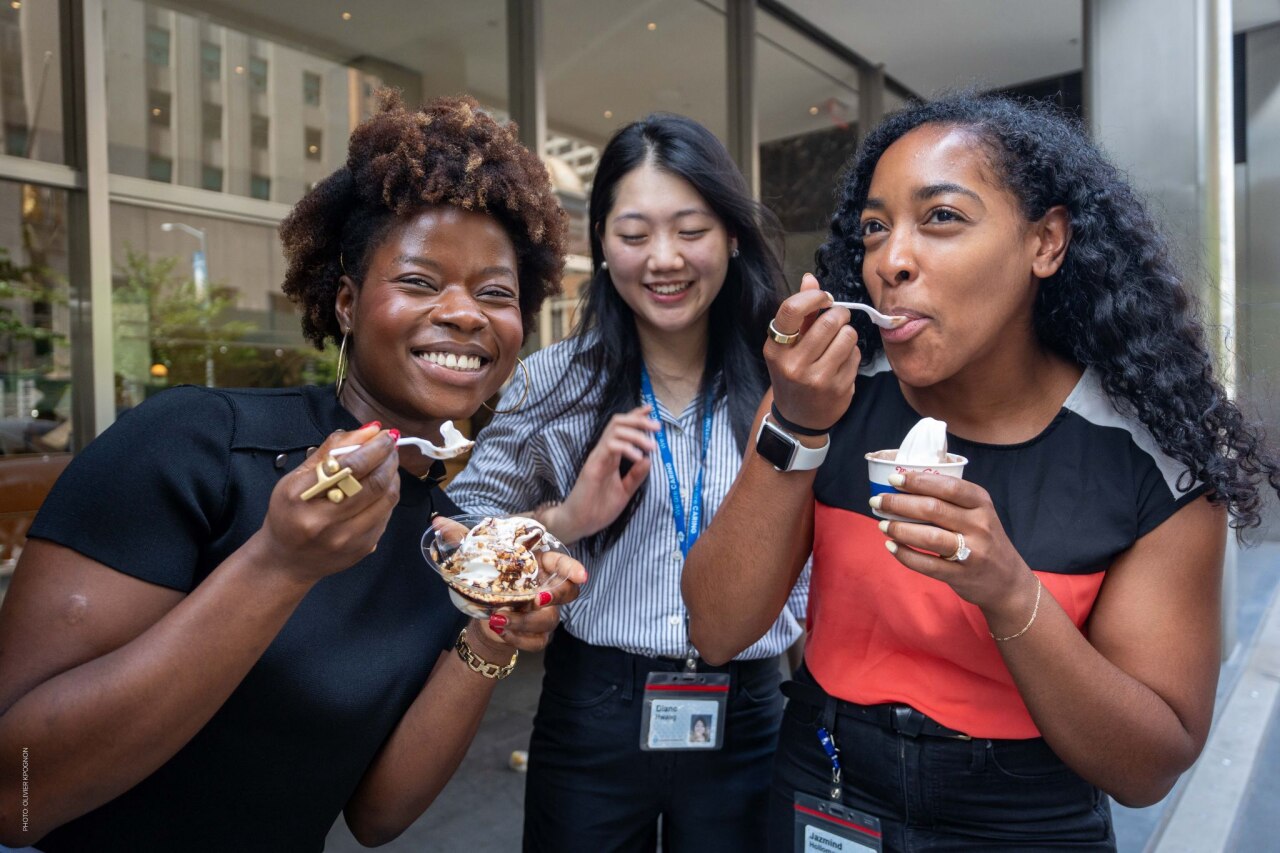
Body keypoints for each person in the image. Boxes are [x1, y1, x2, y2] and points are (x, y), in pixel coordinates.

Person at [683, 92, 1280, 851]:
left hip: (1025, 817)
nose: (890, 260)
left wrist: (1009, 591)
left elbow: (1148, 765)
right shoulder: (825, 396)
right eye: (874, 228)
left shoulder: (1149, 465)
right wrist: (794, 425)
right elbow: (718, 627)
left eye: (941, 218)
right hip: (826, 783)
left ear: (1046, 243)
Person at [0, 92, 583, 852]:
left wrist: (496, 629)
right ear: (346, 301)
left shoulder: (444, 539)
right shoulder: (195, 443)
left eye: (495, 294)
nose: (465, 313)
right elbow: (15, 791)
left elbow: (377, 814)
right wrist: (278, 564)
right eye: (418, 281)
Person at [448, 113, 801, 853]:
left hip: (751, 709)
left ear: (733, 236)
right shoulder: (556, 383)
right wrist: (568, 516)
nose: (664, 259)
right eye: (635, 235)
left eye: (691, 229)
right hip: (594, 713)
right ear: (602, 244)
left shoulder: (792, 384)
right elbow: (463, 536)